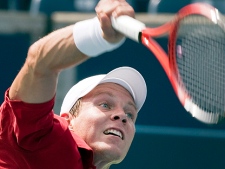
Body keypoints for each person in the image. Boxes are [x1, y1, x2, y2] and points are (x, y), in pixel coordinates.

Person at [0, 0, 147, 168]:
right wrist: (99, 32)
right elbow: (40, 62)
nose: (121, 116)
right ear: (68, 121)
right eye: (105, 104)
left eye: (130, 115)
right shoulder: (41, 136)